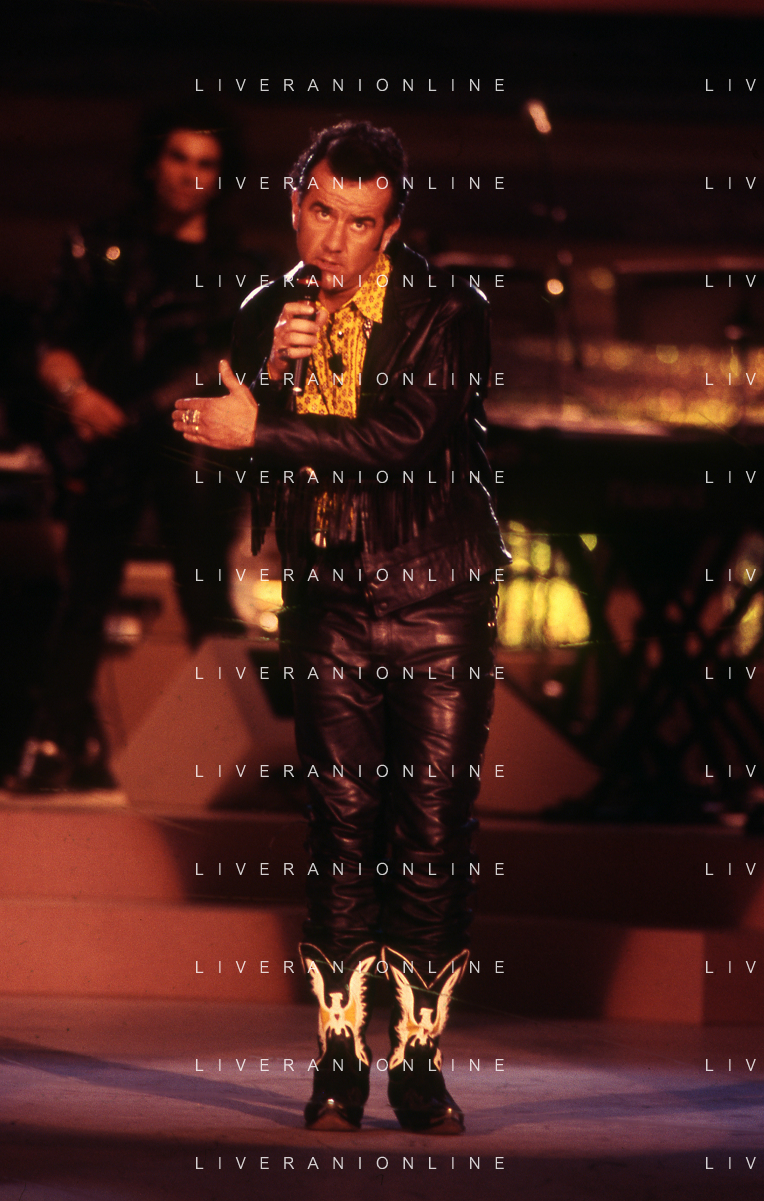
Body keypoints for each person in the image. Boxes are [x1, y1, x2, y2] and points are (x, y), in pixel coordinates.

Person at [173, 120, 510, 1134]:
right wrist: (264, 383)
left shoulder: (448, 312)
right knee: (339, 824)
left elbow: (404, 438)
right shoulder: (261, 311)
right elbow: (229, 448)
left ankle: (419, 1061)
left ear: (391, 228)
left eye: (360, 222)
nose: (334, 239)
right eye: (321, 211)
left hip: (436, 597)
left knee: (432, 828)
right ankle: (336, 1060)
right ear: (295, 205)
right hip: (326, 599)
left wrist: (263, 423)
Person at [9, 101, 263, 793]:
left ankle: (238, 747)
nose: (190, 175)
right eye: (179, 157)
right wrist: (76, 397)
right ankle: (57, 742)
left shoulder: (237, 269)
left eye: (206, 164)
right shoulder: (99, 246)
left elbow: (239, 362)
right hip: (107, 441)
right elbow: (49, 338)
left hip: (190, 447)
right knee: (84, 594)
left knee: (205, 595)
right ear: (154, 162)